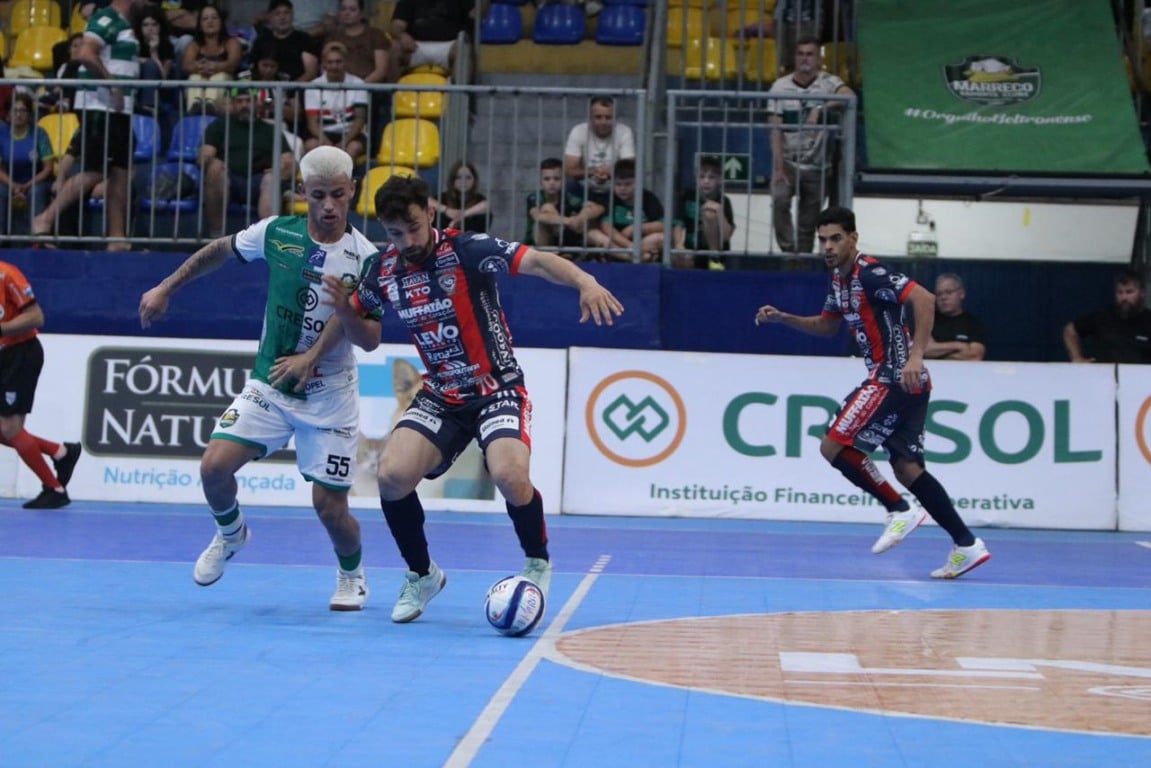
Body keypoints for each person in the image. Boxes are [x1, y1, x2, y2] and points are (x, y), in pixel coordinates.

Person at [322, 174, 624, 624]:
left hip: (496, 387)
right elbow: (367, 339)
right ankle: (422, 574)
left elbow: (537, 261)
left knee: (508, 475)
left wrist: (585, 281)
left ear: (430, 212)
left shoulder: (468, 251)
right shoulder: (382, 270)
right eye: (394, 234)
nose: (406, 242)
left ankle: (537, 561)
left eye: (413, 229)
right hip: (441, 394)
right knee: (391, 476)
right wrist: (346, 310)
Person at [137, 146, 378, 611]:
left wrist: (313, 352)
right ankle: (232, 535)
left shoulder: (365, 259)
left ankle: (352, 575)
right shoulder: (276, 233)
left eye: (339, 196)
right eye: (319, 195)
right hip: (271, 383)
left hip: (329, 395)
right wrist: (166, 287)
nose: (329, 206)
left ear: (352, 192)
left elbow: (369, 340)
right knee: (213, 468)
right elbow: (219, 251)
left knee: (330, 509)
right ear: (303, 193)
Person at [754, 206, 991, 579]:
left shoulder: (870, 273)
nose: (828, 247)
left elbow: (924, 299)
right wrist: (785, 318)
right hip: (907, 383)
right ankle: (966, 545)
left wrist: (915, 357)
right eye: (822, 240)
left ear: (853, 238)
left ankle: (898, 509)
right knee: (908, 468)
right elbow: (827, 326)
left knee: (832, 445)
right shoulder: (838, 280)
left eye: (835, 238)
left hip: (893, 377)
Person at [32, 0, 143, 252]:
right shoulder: (107, 18)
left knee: (120, 171)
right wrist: (112, 84)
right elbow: (85, 53)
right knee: (95, 170)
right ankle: (45, 218)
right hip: (99, 106)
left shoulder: (123, 24)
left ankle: (117, 237)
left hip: (118, 109)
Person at [0, 261, 82, 510]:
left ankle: (54, 489)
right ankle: (60, 452)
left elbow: (36, 317)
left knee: (10, 428)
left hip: (20, 353)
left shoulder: (7, 275)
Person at [767, 37, 854, 257]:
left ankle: (801, 263)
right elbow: (775, 129)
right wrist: (778, 166)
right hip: (788, 161)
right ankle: (788, 251)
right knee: (779, 200)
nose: (805, 58)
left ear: (818, 58)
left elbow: (849, 96)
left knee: (809, 220)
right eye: (800, 53)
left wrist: (821, 107)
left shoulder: (827, 82)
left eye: (810, 54)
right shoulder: (780, 86)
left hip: (817, 165)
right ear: (794, 57)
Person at [199, 87, 297, 237]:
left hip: (260, 179)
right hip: (229, 179)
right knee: (214, 169)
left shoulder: (269, 130)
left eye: (248, 101)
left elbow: (289, 160)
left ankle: (266, 238)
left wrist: (282, 167)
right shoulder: (219, 126)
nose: (244, 105)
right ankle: (216, 235)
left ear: (257, 103)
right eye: (239, 101)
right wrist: (211, 161)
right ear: (232, 104)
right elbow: (203, 157)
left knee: (271, 179)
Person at [1063, 268, 1151, 364]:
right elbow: (1070, 331)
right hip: (1103, 376)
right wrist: (1076, 357)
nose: (1124, 297)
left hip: (1141, 377)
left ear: (1142, 293)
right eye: (1120, 292)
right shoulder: (1102, 317)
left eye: (1129, 292)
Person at [524, 157, 608, 254]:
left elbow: (599, 208)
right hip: (537, 246)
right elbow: (537, 216)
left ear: (564, 180)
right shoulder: (535, 197)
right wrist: (568, 221)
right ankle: (551, 255)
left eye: (556, 179)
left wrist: (581, 217)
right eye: (547, 179)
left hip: (565, 241)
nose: (552, 183)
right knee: (547, 208)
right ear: (541, 181)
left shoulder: (568, 197)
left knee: (593, 228)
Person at [0, 93, 56, 235]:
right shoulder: (1, 133)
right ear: (8, 114)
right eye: (15, 110)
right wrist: (13, 186)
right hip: (9, 182)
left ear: (29, 114)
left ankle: (37, 238)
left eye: (23, 110)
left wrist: (27, 185)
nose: (18, 114)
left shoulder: (40, 133)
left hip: (36, 181)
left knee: (36, 192)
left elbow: (48, 168)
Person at [304, 42, 370, 163]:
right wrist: (327, 144)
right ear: (324, 64)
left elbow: (359, 119)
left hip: (351, 134)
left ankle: (344, 181)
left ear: (346, 62)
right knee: (310, 146)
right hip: (324, 133)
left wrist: (344, 142)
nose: (334, 66)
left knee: (353, 149)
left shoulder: (359, 84)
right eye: (330, 62)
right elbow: (312, 123)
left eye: (338, 62)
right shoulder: (313, 86)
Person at [563, 96, 636, 202]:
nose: (603, 122)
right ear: (590, 118)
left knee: (632, 185)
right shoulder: (578, 131)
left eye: (608, 117)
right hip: (584, 188)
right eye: (598, 117)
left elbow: (629, 167)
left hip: (616, 189)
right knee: (568, 183)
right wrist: (593, 172)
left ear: (615, 118)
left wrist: (610, 172)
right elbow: (569, 170)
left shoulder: (624, 131)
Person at [673, 154, 736, 271]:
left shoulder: (724, 201)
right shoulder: (687, 196)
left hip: (716, 251)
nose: (706, 181)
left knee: (709, 212)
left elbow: (727, 236)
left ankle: (714, 258)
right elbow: (678, 223)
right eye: (701, 177)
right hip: (691, 249)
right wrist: (678, 245)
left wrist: (719, 211)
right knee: (677, 256)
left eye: (711, 177)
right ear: (696, 179)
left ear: (719, 180)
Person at [598, 158, 665, 263]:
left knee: (660, 238)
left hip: (641, 242)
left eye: (627, 184)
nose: (622, 188)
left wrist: (634, 228)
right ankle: (631, 256)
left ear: (638, 183)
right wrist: (630, 246)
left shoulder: (648, 198)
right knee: (595, 235)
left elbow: (662, 225)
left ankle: (634, 255)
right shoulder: (610, 198)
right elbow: (606, 227)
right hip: (617, 244)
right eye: (618, 184)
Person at [180, 4, 244, 114]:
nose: (210, 21)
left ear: (221, 22)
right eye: (205, 19)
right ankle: (194, 110)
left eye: (214, 18)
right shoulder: (194, 45)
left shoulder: (231, 42)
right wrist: (199, 66)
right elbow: (186, 65)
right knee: (195, 77)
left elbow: (232, 64)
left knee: (220, 76)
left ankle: (210, 107)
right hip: (201, 81)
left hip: (225, 92)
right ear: (200, 24)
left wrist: (215, 67)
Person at [389, 0, 481, 76]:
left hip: (449, 46)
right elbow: (397, 24)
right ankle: (391, 95)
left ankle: (459, 96)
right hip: (415, 47)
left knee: (463, 49)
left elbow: (479, 13)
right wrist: (401, 35)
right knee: (393, 47)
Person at [251, 0, 321, 84]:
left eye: (286, 13)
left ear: (292, 15)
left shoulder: (303, 39)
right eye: (277, 14)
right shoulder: (262, 39)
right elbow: (254, 68)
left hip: (296, 91)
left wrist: (290, 90)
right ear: (270, 17)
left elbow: (311, 73)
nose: (282, 17)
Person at [925, 273, 987, 361]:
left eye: (949, 292)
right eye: (939, 294)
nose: (943, 297)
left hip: (964, 373)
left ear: (961, 294)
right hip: (934, 373)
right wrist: (959, 345)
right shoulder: (928, 320)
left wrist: (937, 352)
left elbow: (975, 355)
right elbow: (922, 350)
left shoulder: (973, 324)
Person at [432, 160, 490, 233]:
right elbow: (427, 201)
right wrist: (447, 210)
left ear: (474, 180)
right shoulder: (442, 198)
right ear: (452, 180)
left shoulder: (478, 199)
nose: (463, 181)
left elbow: (486, 206)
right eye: (458, 177)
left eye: (468, 177)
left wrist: (463, 215)